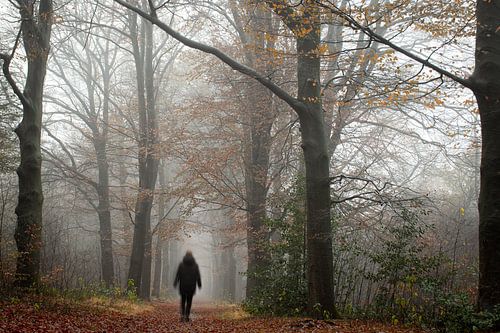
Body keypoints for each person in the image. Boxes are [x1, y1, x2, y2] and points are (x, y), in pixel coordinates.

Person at [174, 250, 202, 322]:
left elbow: (178, 275)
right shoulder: (195, 265)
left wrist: (175, 282)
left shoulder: (181, 264)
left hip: (183, 285)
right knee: (189, 301)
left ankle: (182, 315)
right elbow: (198, 275)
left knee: (183, 301)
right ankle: (187, 316)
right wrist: (199, 284)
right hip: (191, 286)